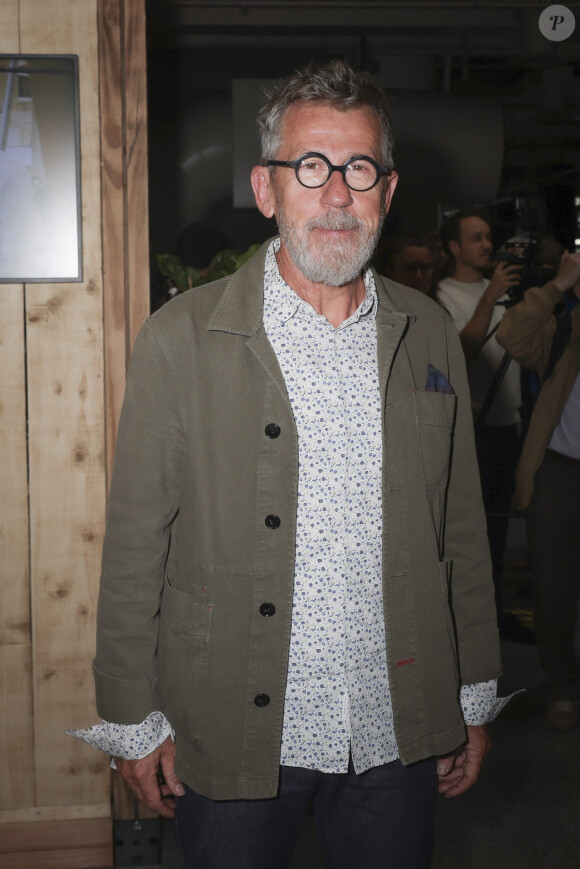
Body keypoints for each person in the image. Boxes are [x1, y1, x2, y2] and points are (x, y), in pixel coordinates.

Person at [74, 61, 508, 868]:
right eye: (310, 167)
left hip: (395, 730)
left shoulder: (429, 333)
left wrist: (469, 693)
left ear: (388, 188)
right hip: (234, 731)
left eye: (360, 169)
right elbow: (137, 544)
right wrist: (133, 719)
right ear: (266, 189)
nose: (337, 194)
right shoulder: (182, 338)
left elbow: (461, 532)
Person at [497, 251, 580, 732]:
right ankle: (563, 685)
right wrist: (558, 285)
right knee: (554, 589)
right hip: (561, 472)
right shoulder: (564, 331)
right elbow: (511, 335)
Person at [436, 210, 522, 623]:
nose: (486, 245)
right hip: (473, 427)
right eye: (475, 239)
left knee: (503, 525)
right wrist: (490, 299)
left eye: (488, 237)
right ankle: (472, 617)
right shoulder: (444, 294)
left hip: (510, 421)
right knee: (476, 530)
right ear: (454, 247)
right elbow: (462, 352)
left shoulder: (502, 289)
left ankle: (498, 611)